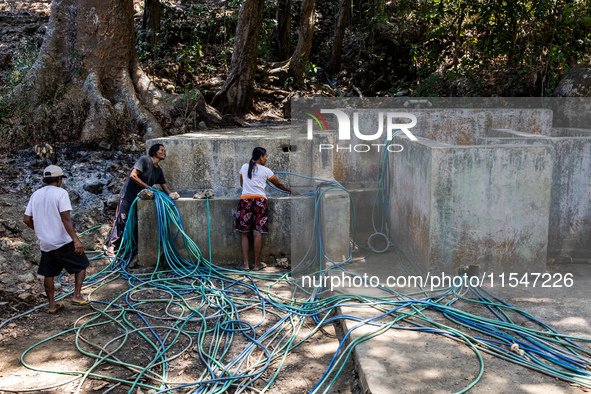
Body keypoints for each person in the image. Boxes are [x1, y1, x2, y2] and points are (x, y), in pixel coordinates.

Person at [23, 165, 90, 313]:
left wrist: (39, 229)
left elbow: (27, 219)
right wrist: (76, 240)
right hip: (62, 240)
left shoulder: (36, 194)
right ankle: (77, 295)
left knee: (49, 273)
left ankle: (52, 305)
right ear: (59, 179)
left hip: (45, 242)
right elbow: (65, 218)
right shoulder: (61, 193)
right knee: (82, 264)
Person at [105, 143, 176, 257]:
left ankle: (133, 250)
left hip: (140, 199)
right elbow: (133, 176)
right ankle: (111, 248)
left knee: (137, 224)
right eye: (161, 150)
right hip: (128, 195)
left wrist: (173, 197)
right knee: (121, 220)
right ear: (154, 152)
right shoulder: (144, 160)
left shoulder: (159, 171)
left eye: (165, 151)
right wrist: (147, 186)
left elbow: (165, 187)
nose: (164, 152)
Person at [236, 147, 299, 271]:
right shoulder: (266, 171)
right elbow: (279, 185)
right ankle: (257, 264)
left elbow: (242, 184)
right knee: (257, 233)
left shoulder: (244, 167)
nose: (266, 158)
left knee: (244, 234)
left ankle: (245, 264)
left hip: (245, 201)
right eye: (265, 156)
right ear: (261, 157)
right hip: (260, 201)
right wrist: (292, 191)